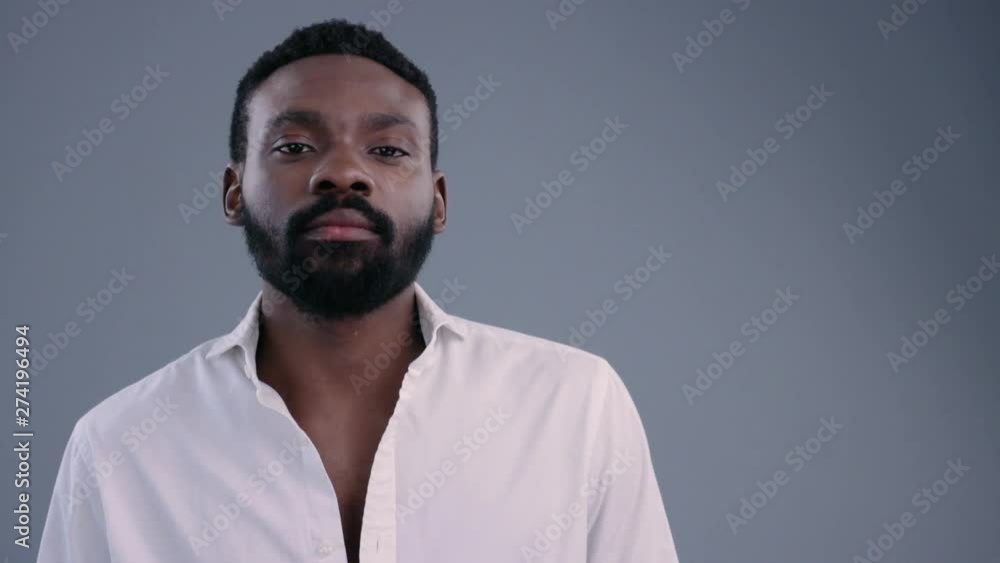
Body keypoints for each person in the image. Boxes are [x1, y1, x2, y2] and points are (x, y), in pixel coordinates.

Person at [37, 18, 679, 563]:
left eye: (388, 150)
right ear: (234, 194)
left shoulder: (576, 407)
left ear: (438, 200)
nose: (343, 172)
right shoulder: (116, 450)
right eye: (294, 145)